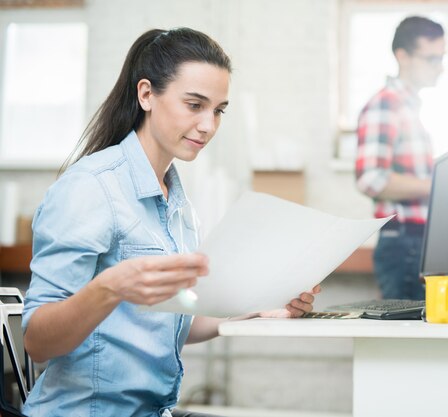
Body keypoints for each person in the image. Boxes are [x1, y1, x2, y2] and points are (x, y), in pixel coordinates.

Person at [22, 27, 320, 417]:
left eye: (218, 110)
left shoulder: (178, 203)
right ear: (146, 94)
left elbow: (173, 320)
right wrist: (109, 288)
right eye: (194, 105)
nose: (208, 125)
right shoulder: (90, 189)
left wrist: (257, 309)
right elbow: (37, 341)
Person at [355, 16, 445, 300]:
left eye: (442, 58)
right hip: (405, 243)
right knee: (410, 341)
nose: (439, 68)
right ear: (402, 56)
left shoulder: (412, 107)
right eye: (431, 59)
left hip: (416, 241)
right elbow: (370, 178)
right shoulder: (386, 104)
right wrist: (437, 185)